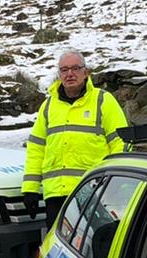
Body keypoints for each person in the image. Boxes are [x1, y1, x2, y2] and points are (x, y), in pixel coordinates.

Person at [21, 49, 129, 227]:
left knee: (96, 246)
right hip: (56, 196)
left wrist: (115, 183)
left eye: (75, 68)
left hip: (94, 193)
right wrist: (30, 190)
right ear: (59, 74)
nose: (69, 74)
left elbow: (121, 143)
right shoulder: (48, 106)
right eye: (64, 70)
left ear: (85, 72)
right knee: (58, 250)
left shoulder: (103, 101)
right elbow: (36, 149)